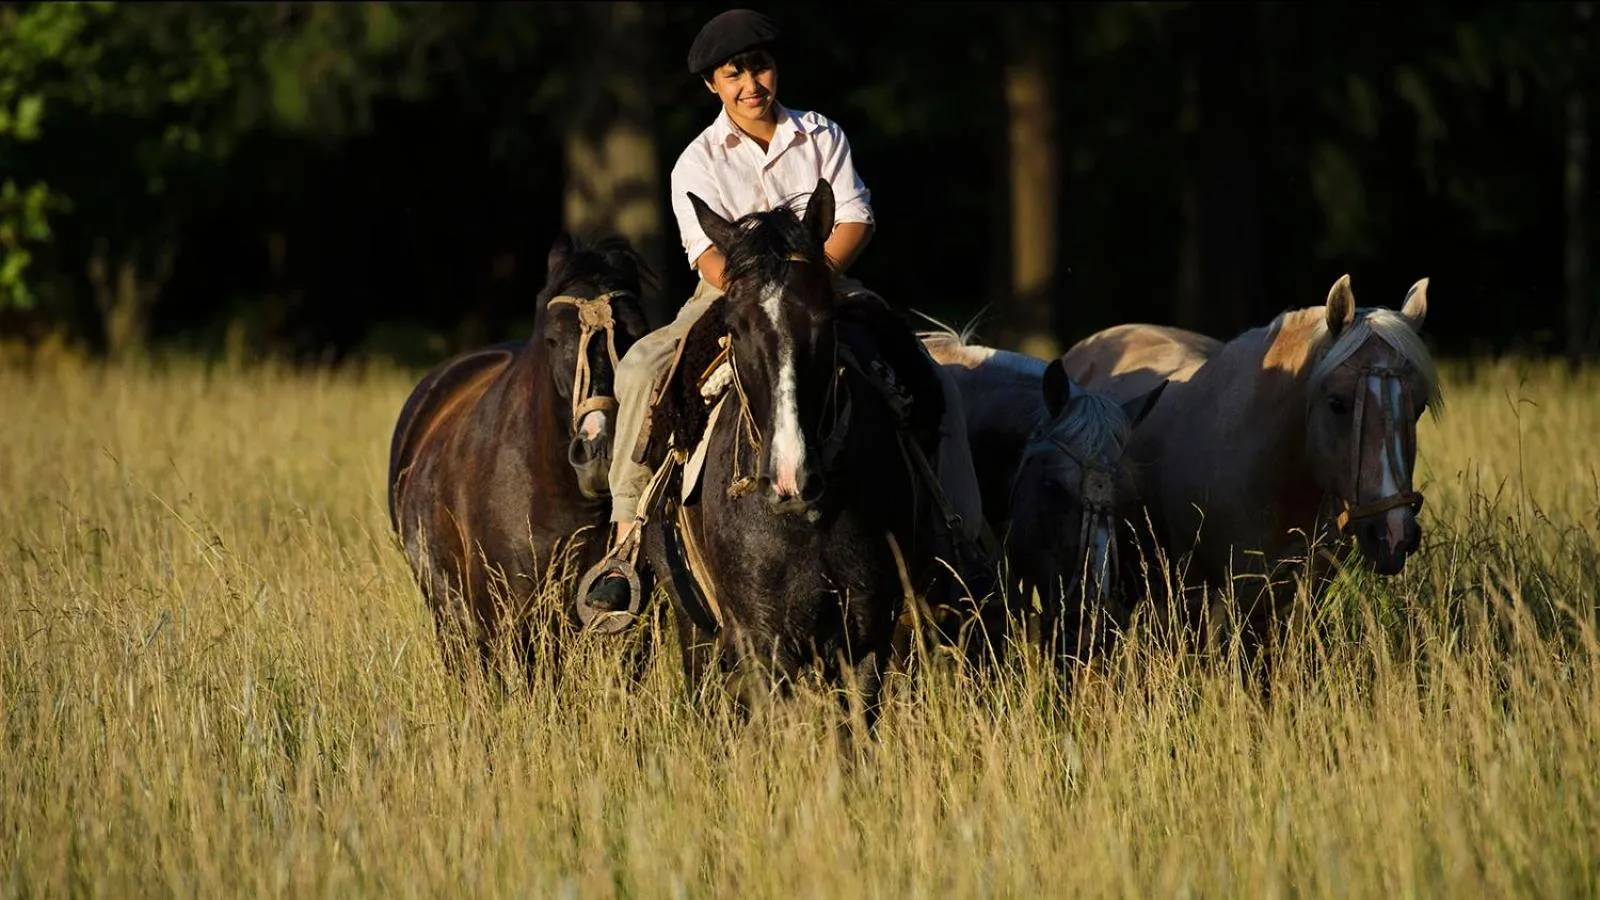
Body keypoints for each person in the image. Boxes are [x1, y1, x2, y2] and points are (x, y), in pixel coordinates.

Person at [578, 7, 985, 623]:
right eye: (733, 74)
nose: (750, 85)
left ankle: (957, 543)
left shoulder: (822, 136)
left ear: (776, 68)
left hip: (824, 286)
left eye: (760, 67)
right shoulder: (696, 161)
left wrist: (808, 281)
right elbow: (706, 253)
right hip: (729, 296)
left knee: (932, 381)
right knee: (638, 368)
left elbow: (855, 216)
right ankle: (627, 541)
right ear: (712, 85)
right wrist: (757, 291)